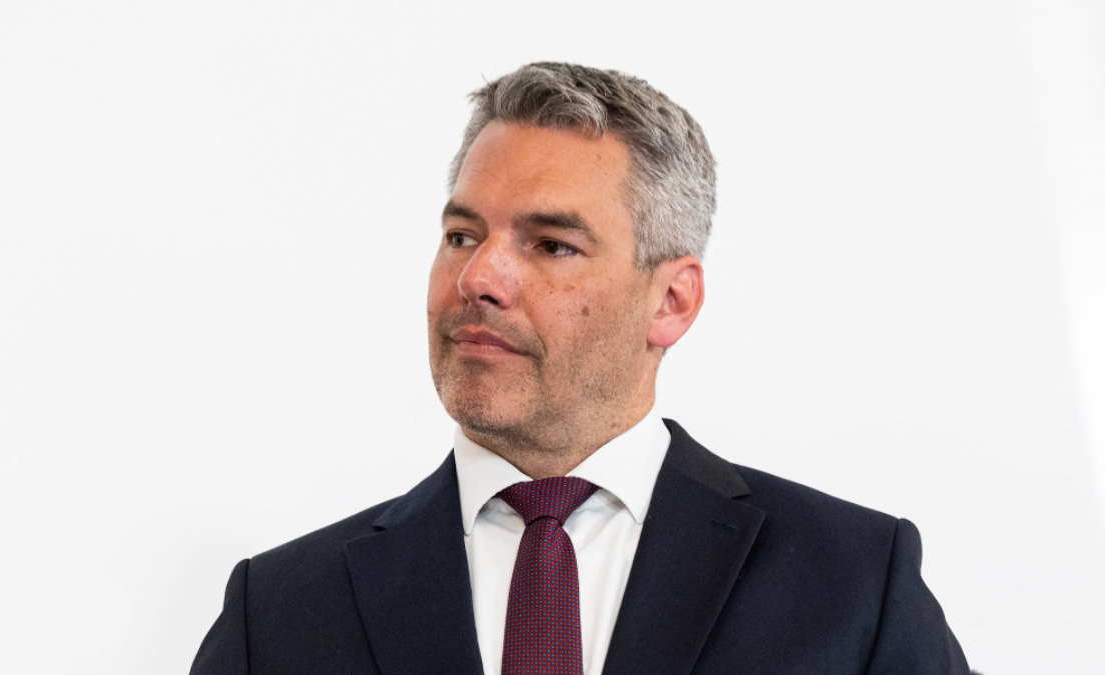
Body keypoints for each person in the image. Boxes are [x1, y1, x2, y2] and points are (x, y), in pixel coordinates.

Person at [189, 62, 971, 674]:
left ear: (671, 301)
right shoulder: (280, 612)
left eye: (552, 245)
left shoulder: (854, 585)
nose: (479, 278)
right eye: (462, 235)